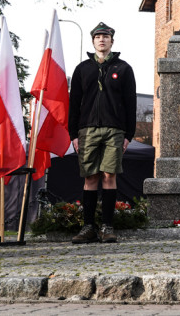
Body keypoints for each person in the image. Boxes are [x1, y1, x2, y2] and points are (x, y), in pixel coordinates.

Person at [68, 22, 137, 244]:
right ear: (93, 41)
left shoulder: (124, 68)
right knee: (90, 177)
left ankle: (107, 227)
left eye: (105, 37)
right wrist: (73, 134)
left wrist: (129, 134)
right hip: (87, 129)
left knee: (109, 176)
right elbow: (74, 103)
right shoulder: (82, 69)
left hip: (114, 130)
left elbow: (130, 103)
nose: (101, 40)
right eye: (98, 36)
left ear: (111, 41)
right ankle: (88, 227)